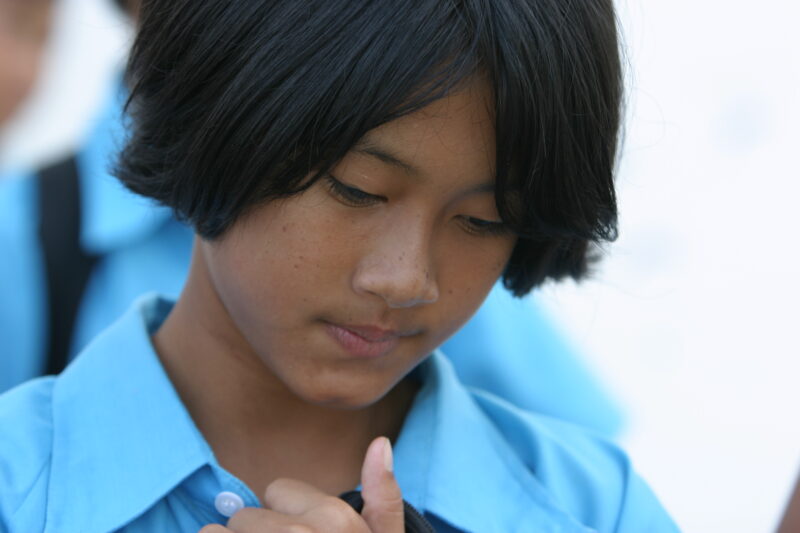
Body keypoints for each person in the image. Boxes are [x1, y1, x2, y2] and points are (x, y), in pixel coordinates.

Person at [0, 1, 678, 531]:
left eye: (483, 220)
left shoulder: (595, 510)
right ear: (217, 116)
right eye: (357, 188)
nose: (408, 277)